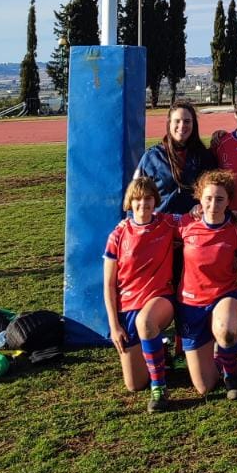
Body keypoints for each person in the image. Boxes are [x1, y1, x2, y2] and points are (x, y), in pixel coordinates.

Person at [174, 168, 237, 401]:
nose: (213, 204)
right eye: (208, 198)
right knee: (204, 387)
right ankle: (218, 358)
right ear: (199, 198)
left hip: (224, 295)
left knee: (226, 331)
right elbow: (153, 225)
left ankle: (231, 373)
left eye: (220, 199)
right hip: (190, 302)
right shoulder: (185, 223)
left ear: (229, 201)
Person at [103, 175, 176, 413]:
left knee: (147, 321)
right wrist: (114, 326)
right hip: (128, 308)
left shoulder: (167, 223)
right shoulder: (118, 234)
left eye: (148, 199)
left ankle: (159, 387)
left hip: (160, 299)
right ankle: (159, 352)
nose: (142, 204)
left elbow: (199, 219)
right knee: (134, 385)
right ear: (129, 203)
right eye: (137, 200)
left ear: (155, 201)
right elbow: (109, 285)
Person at [135, 101, 214, 215]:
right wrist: (131, 221)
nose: (182, 126)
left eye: (187, 121)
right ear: (169, 123)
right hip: (161, 226)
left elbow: (216, 191)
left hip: (193, 226)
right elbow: (136, 192)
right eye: (177, 121)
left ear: (194, 124)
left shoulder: (204, 156)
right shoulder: (152, 157)